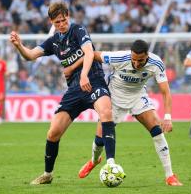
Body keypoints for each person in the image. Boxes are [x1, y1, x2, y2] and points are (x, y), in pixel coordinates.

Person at [9, 2, 118, 185]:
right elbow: (30, 56)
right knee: (53, 133)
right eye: (57, 21)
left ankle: (111, 164)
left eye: (64, 19)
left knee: (106, 113)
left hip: (94, 80)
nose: (61, 23)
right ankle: (47, 174)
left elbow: (90, 53)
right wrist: (19, 45)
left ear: (68, 16)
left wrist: (84, 75)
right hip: (74, 89)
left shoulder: (78, 29)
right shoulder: (53, 42)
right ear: (51, 21)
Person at [64, 40, 183, 186]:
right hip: (114, 98)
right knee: (100, 139)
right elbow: (91, 54)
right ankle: (94, 161)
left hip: (138, 96)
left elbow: (165, 91)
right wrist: (73, 68)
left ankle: (170, 175)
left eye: (141, 60)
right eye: (134, 59)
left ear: (147, 56)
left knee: (157, 130)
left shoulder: (156, 63)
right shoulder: (120, 57)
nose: (136, 64)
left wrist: (168, 117)